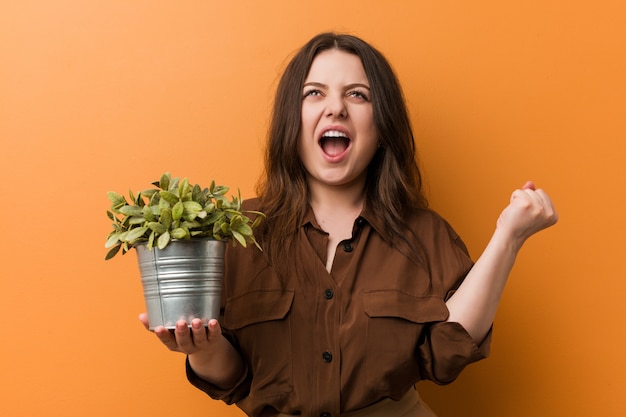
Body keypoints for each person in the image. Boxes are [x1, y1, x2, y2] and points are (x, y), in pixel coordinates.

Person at [139, 32, 558, 417]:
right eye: (314, 93)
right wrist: (204, 349)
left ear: (381, 124)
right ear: (292, 119)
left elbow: (446, 356)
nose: (335, 107)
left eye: (357, 95)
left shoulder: (426, 234)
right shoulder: (238, 232)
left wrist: (509, 237)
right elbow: (234, 380)